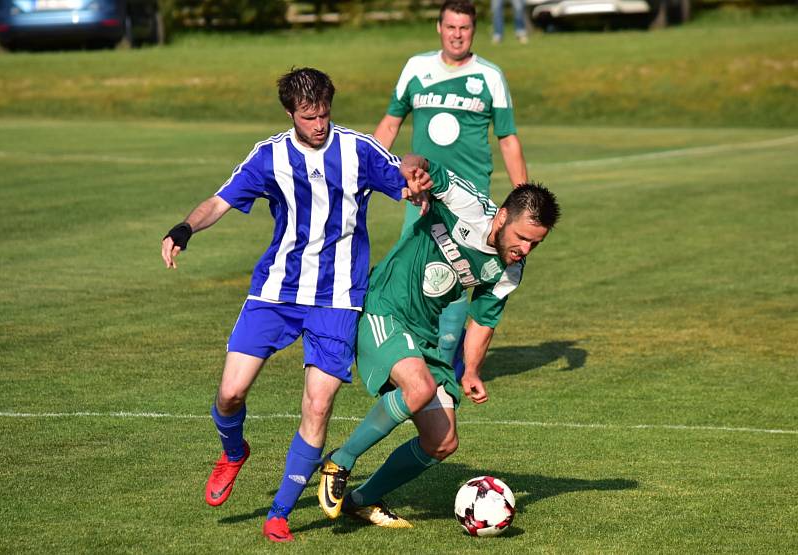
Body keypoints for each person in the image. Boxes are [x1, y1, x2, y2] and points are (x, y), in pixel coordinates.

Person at [160, 67, 430, 543]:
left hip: (339, 301)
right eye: (309, 117)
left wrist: (414, 172)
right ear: (291, 114)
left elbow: (404, 171)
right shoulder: (269, 156)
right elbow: (219, 202)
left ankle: (279, 512)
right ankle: (233, 451)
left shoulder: (358, 149)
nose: (320, 124)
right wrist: (184, 228)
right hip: (276, 294)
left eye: (325, 113)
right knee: (230, 394)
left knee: (319, 405)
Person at [317, 157, 560, 527]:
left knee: (442, 442)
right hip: (386, 308)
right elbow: (423, 165)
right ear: (501, 218)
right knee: (418, 387)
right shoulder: (467, 205)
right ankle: (340, 461)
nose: (525, 249)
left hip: (424, 333)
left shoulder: (510, 269)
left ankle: (361, 500)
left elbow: (482, 320)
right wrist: (413, 175)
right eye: (522, 238)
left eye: (535, 244)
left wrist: (472, 370)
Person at [373, 0, 528, 369]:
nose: (457, 35)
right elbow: (391, 123)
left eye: (465, 28)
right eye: (451, 27)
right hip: (423, 194)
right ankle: (409, 353)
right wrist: (367, 168)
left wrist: (524, 203)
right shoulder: (416, 68)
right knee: (414, 273)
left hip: (467, 200)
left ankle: (445, 366)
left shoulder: (490, 76)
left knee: (459, 277)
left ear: (473, 31)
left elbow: (507, 138)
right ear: (439, 28)